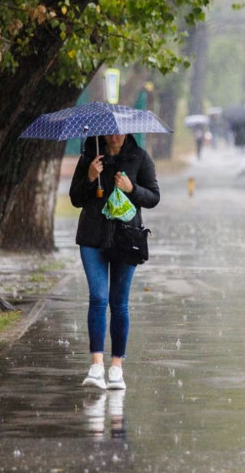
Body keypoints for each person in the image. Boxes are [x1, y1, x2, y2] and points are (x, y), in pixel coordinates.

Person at [69, 134, 160, 390]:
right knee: (98, 298)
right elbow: (75, 198)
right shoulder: (90, 156)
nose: (114, 136)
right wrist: (90, 177)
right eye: (110, 131)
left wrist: (132, 189)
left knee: (119, 302)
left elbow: (154, 197)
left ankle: (117, 367)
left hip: (126, 239)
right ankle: (96, 366)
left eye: (119, 131)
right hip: (92, 237)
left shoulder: (139, 157)